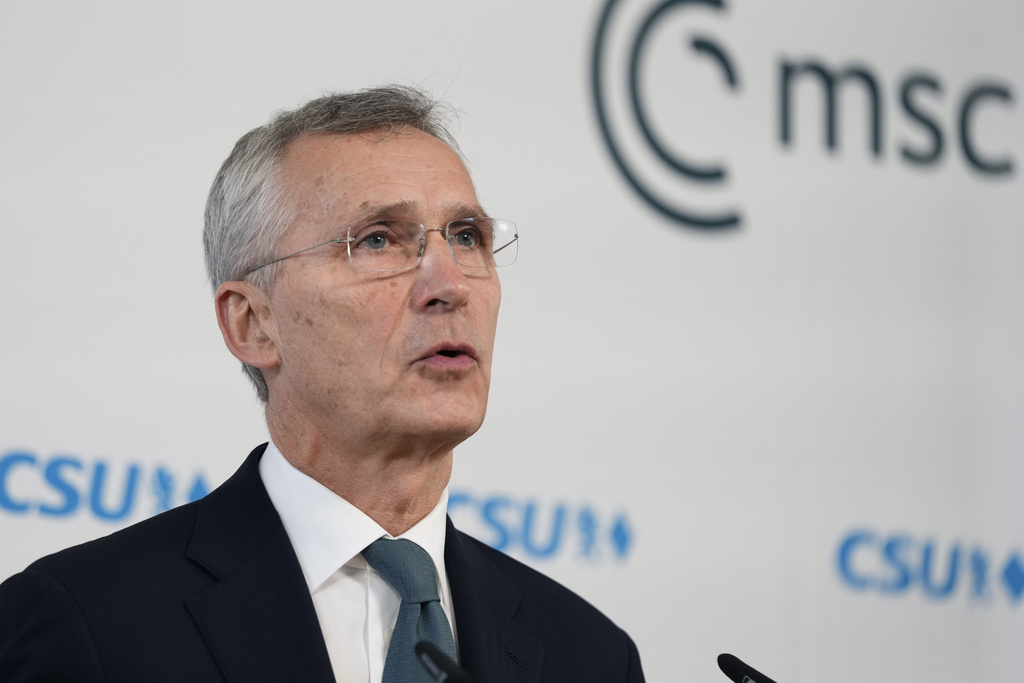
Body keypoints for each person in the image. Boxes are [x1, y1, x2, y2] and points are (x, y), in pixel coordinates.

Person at [0, 86, 645, 682]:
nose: (450, 285)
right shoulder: (88, 622)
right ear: (254, 323)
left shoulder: (590, 656)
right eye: (379, 240)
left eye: (467, 237)